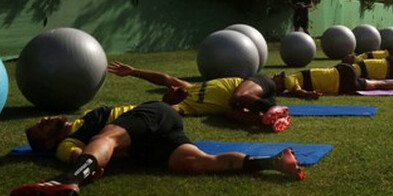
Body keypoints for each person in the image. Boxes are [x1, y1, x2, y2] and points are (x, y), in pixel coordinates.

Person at [10, 101, 303, 196]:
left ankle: (69, 180)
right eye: (42, 127)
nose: (45, 119)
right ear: (48, 143)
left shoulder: (82, 121)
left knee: (108, 134)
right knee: (197, 163)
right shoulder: (66, 143)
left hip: (152, 115)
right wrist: (84, 164)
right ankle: (275, 161)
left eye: (41, 121)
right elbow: (77, 154)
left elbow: (105, 146)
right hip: (148, 142)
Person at [107, 61, 282, 128]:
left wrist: (134, 71)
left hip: (257, 84)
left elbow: (165, 79)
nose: (174, 88)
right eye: (172, 92)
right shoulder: (186, 106)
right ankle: (270, 120)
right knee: (231, 112)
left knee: (236, 97)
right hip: (249, 104)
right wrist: (120, 114)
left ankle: (272, 109)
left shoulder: (191, 87)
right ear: (173, 102)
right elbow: (160, 110)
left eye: (173, 88)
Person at [273, 64, 393, 99]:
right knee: (375, 84)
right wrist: (308, 93)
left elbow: (297, 91)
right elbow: (297, 90)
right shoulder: (290, 80)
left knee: (375, 85)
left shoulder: (288, 79)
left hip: (341, 81)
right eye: (274, 78)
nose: (274, 76)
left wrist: (309, 94)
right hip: (342, 73)